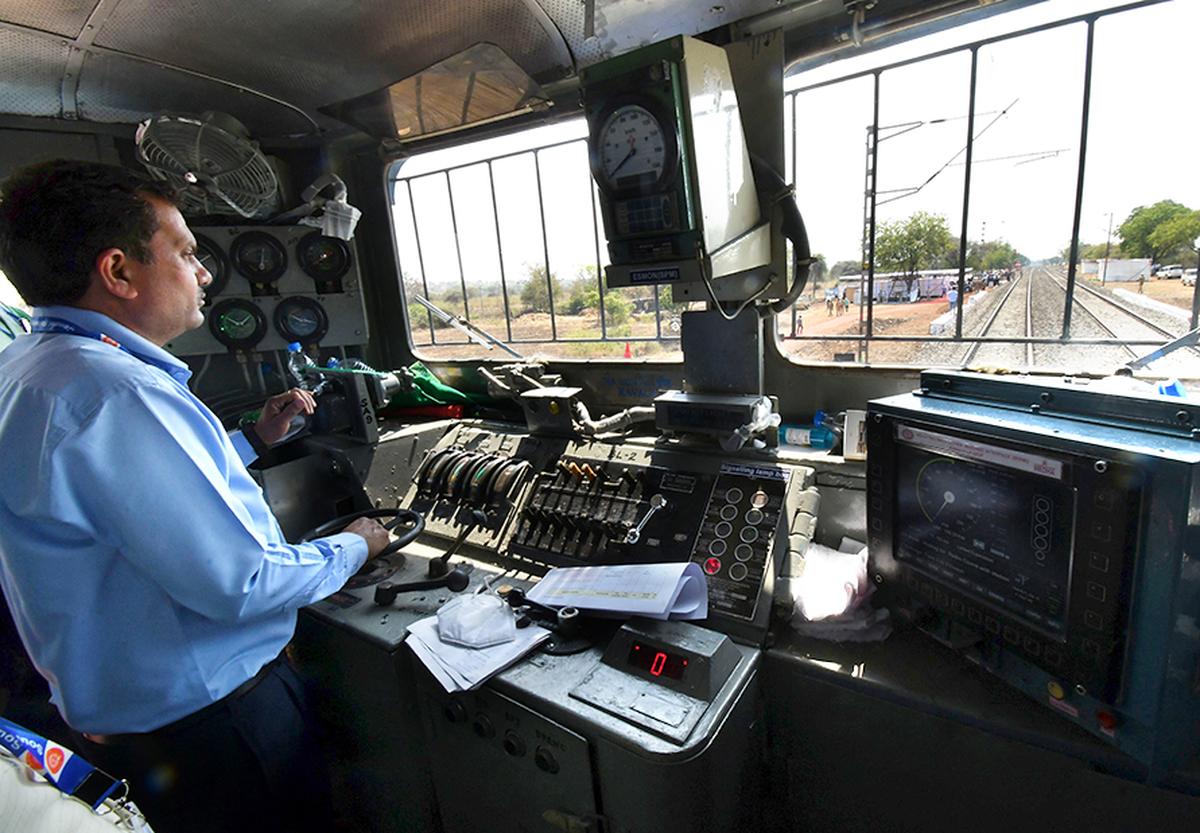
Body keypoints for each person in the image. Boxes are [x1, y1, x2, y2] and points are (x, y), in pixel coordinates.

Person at [0, 159, 392, 833]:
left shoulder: (28, 370)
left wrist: (254, 441)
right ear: (118, 272)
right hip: (220, 729)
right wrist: (355, 544)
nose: (205, 272)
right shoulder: (118, 395)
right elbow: (240, 582)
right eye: (185, 252)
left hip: (134, 727)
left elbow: (112, 500)